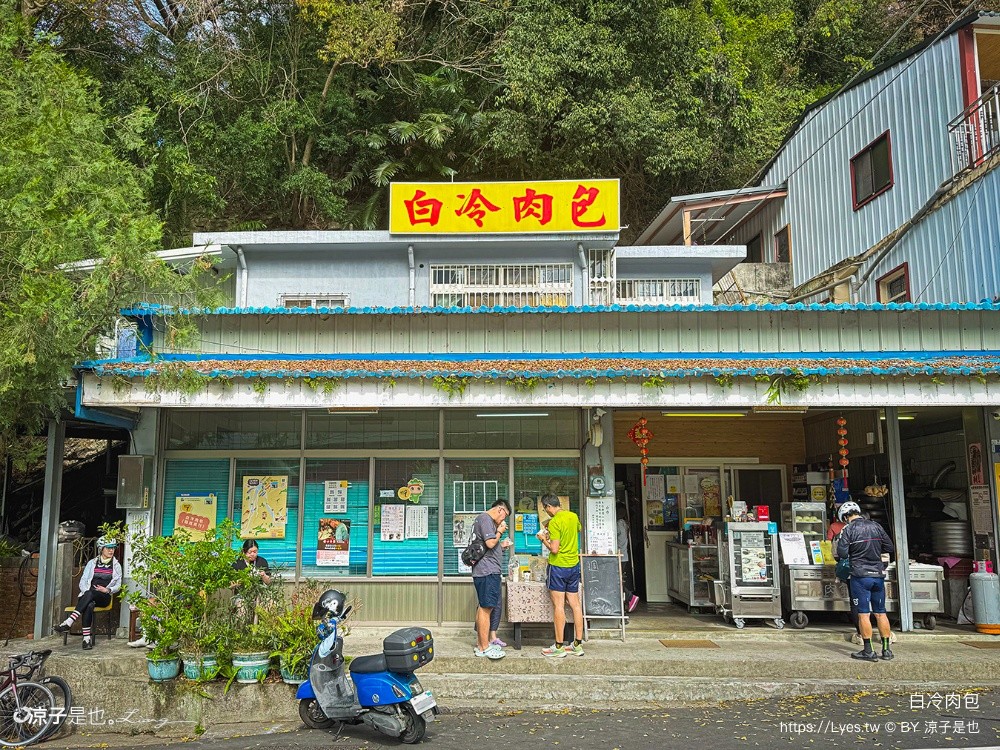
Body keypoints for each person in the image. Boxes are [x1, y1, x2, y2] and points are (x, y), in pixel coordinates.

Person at [836, 502, 895, 661]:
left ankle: (868, 650)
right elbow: (889, 546)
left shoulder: (848, 530)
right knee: (881, 613)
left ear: (846, 517)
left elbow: (841, 553)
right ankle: (886, 650)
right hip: (878, 576)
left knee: (863, 614)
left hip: (860, 577)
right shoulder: (876, 526)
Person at [536, 493, 585, 657]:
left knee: (558, 605)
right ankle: (577, 644)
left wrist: (543, 539)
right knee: (575, 604)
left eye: (545, 509)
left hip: (558, 567)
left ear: (549, 506)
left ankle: (558, 646)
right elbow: (578, 529)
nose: (546, 512)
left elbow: (555, 549)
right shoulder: (573, 516)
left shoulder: (555, 521)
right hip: (574, 565)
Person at [54, 536, 122, 649]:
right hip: (88, 595)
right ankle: (86, 640)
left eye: (113, 548)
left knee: (90, 595)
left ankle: (69, 621)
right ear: (101, 549)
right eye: (108, 548)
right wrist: (87, 593)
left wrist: (108, 590)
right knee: (89, 603)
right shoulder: (92, 563)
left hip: (103, 597)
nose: (111, 550)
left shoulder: (116, 565)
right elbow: (83, 581)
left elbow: (118, 585)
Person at [472, 499, 513, 660]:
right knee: (486, 608)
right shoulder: (486, 519)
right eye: (504, 516)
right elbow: (489, 543)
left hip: (485, 570)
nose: (503, 520)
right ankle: (484, 647)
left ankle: (480, 644)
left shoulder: (482, 520)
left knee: (483, 607)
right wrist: (500, 531)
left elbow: (490, 545)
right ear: (500, 510)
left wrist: (500, 545)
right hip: (487, 571)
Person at [617, 503, 639, 613]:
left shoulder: (619, 524)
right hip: (623, 556)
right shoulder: (625, 523)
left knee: (616, 581)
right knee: (618, 580)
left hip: (619, 556)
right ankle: (627, 600)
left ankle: (630, 597)